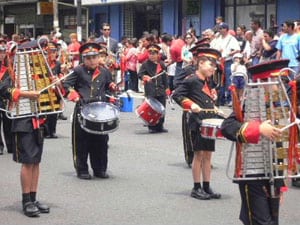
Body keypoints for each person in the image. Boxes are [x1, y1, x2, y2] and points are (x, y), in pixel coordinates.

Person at [221, 59, 294, 225]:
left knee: (272, 221)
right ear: (262, 84)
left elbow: (280, 149)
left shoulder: (281, 105)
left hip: (273, 174)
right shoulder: (250, 103)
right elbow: (227, 127)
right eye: (275, 82)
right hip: (252, 175)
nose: (279, 86)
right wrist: (258, 128)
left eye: (281, 82)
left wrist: (280, 184)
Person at [7, 39, 55, 217]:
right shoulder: (10, 71)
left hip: (37, 117)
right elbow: (5, 90)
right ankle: (26, 200)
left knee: (36, 160)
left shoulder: (37, 71)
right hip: (22, 119)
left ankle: (34, 197)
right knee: (28, 161)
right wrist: (28, 94)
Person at [172, 48, 223, 200]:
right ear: (200, 64)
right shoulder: (192, 80)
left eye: (214, 67)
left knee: (208, 155)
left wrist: (214, 108)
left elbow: (205, 100)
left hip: (208, 121)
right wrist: (190, 105)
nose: (213, 69)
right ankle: (196, 187)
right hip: (197, 121)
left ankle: (207, 186)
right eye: (210, 65)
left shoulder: (206, 81)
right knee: (199, 155)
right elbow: (177, 95)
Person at [63, 42, 118, 180]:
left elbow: (108, 86)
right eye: (88, 58)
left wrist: (112, 89)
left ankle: (100, 169)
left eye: (94, 57)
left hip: (100, 110)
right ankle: (82, 169)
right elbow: (66, 85)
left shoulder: (104, 71)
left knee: (101, 141)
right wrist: (73, 94)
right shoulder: (78, 71)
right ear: (84, 59)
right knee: (82, 142)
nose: (92, 60)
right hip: (83, 108)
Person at [138, 44, 168, 133]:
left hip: (160, 89)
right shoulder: (145, 64)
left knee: (161, 108)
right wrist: (144, 77)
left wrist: (167, 88)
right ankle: (152, 126)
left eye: (154, 54)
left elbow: (164, 77)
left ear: (158, 54)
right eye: (150, 53)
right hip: (151, 90)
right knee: (152, 109)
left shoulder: (161, 64)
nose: (152, 55)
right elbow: (140, 74)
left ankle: (160, 126)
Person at [0, 38, 13, 154]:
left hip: (5, 98)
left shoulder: (8, 69)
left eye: (3, 52)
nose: (1, 54)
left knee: (8, 122)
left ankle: (10, 145)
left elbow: (10, 83)